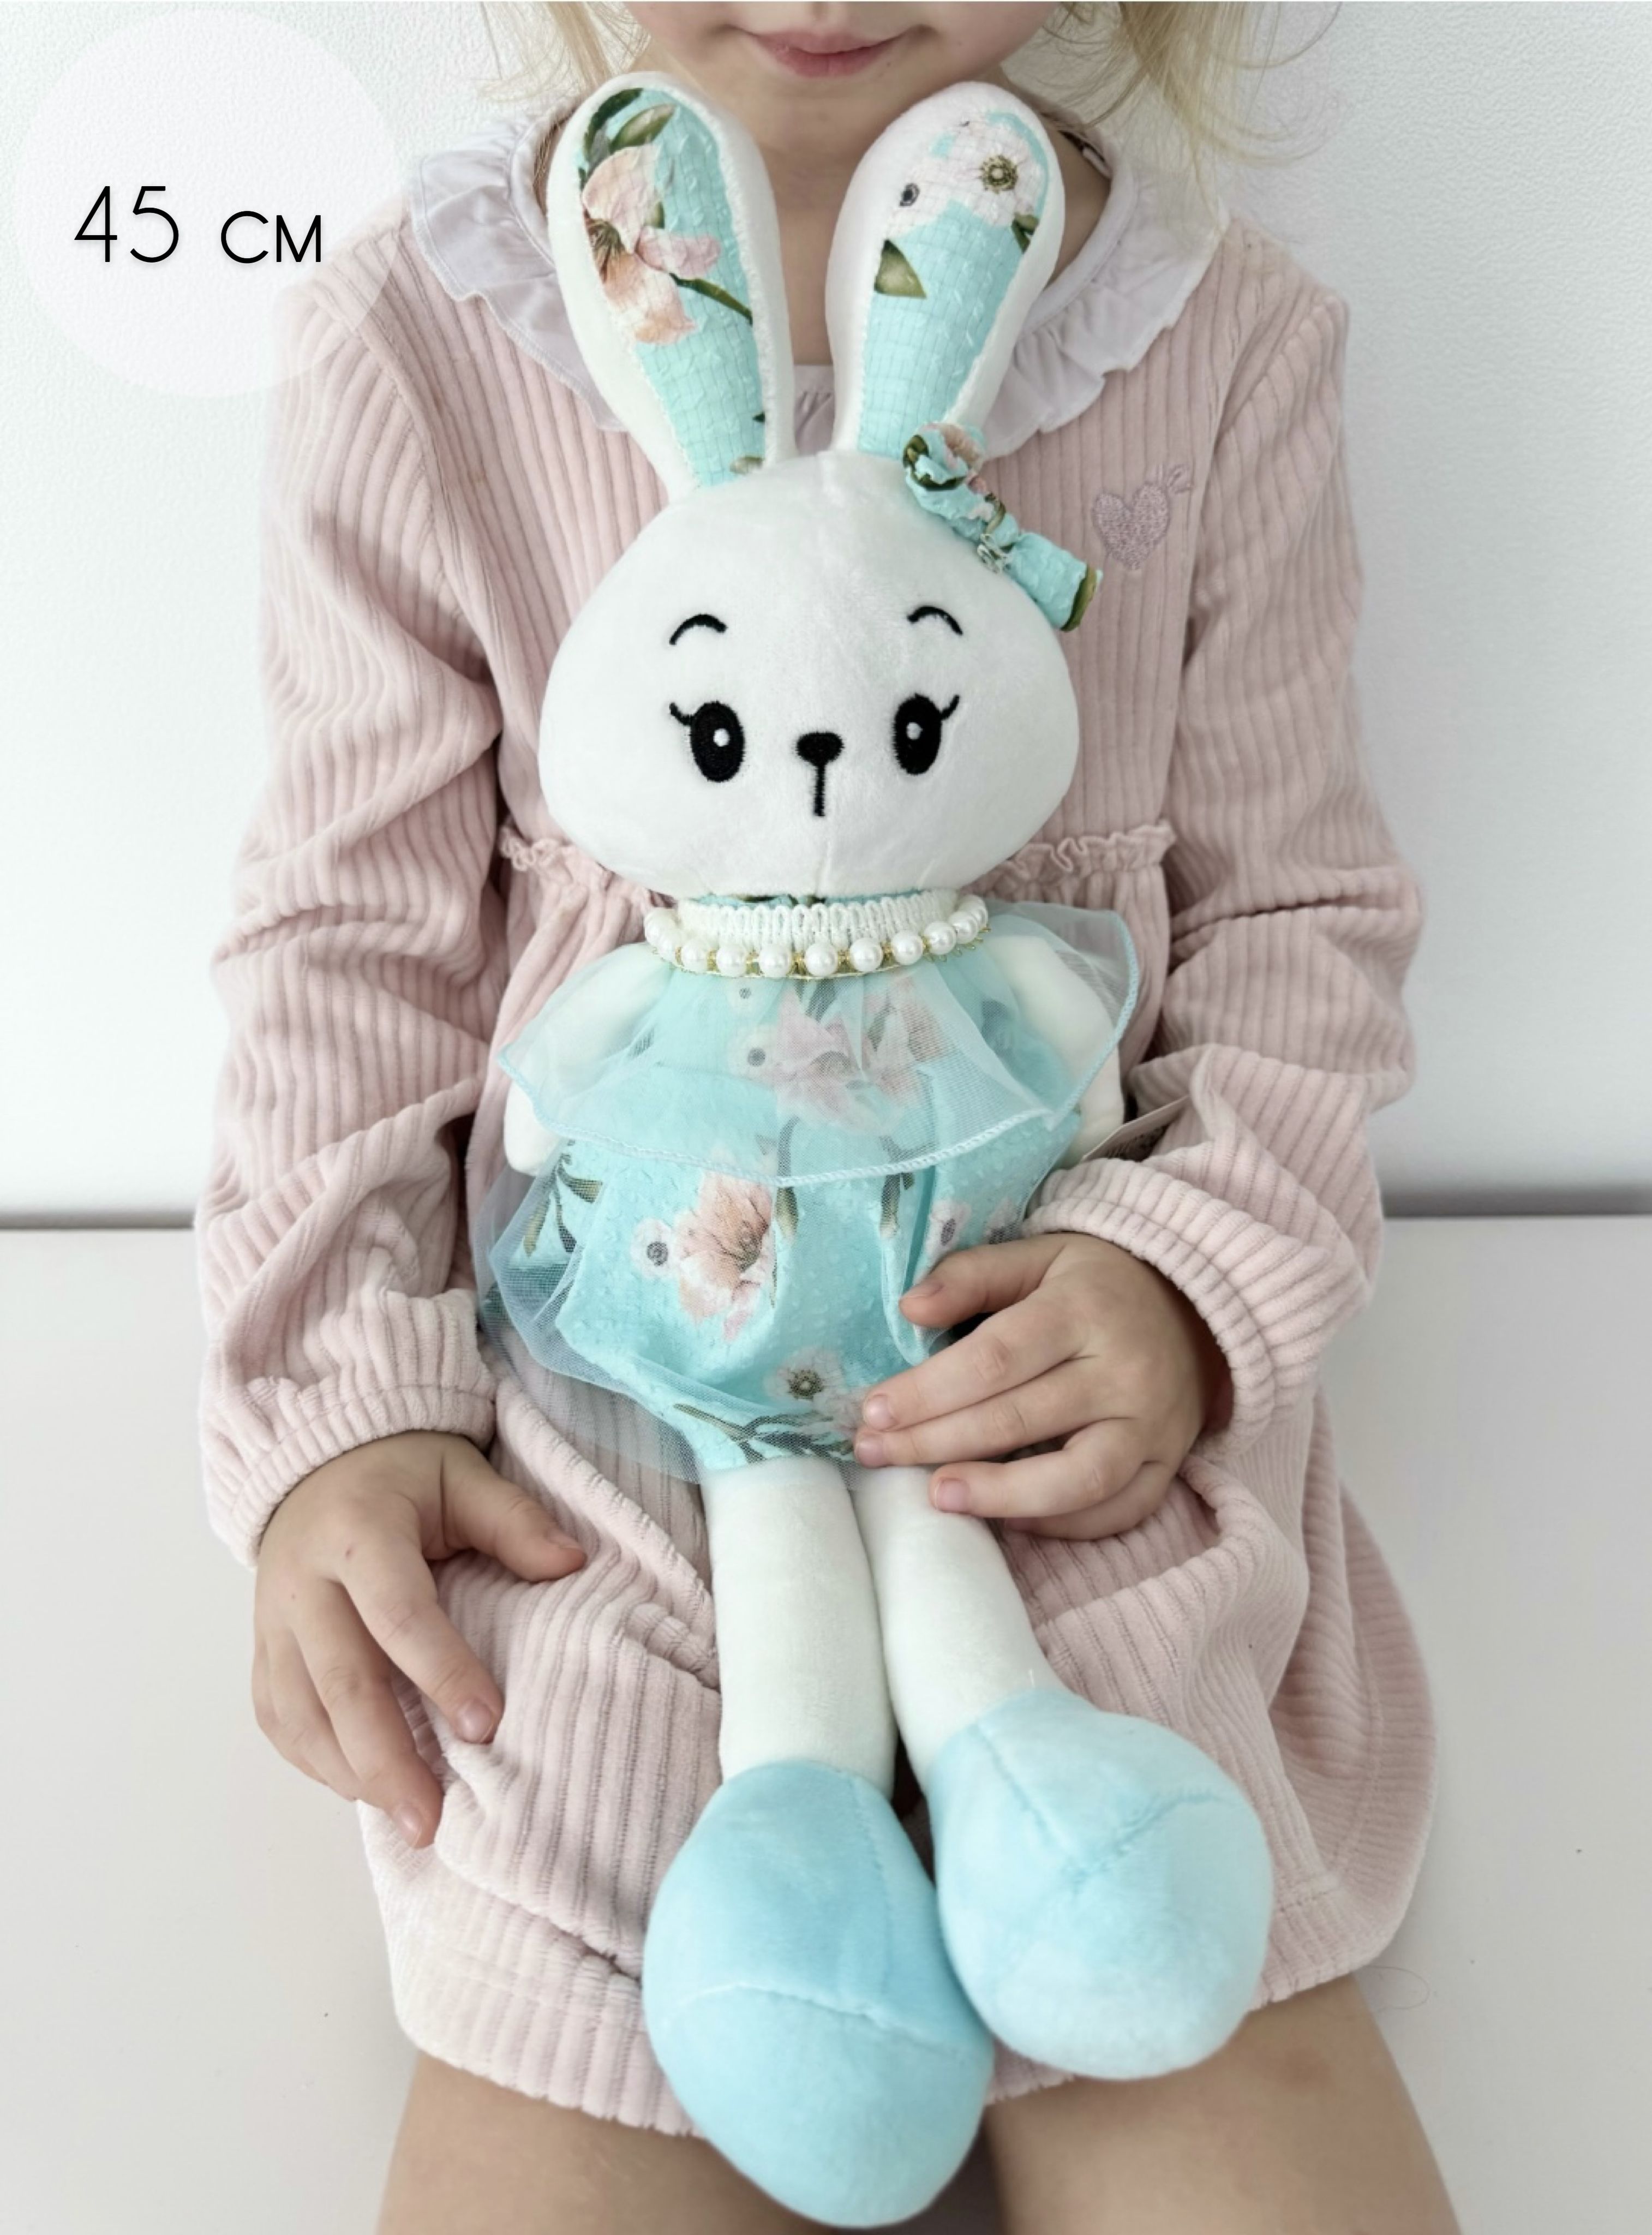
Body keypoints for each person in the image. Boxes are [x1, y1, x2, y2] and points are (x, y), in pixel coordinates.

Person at [197, 5, 1461, 2228]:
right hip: (603, 1400)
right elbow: (346, 947)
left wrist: (1183, 1284)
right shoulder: (422, 340)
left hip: (1040, 1380)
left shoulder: (1218, 345)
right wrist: (336, 1414)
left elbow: (1295, 921)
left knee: (1179, 1990)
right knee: (586, 1923)